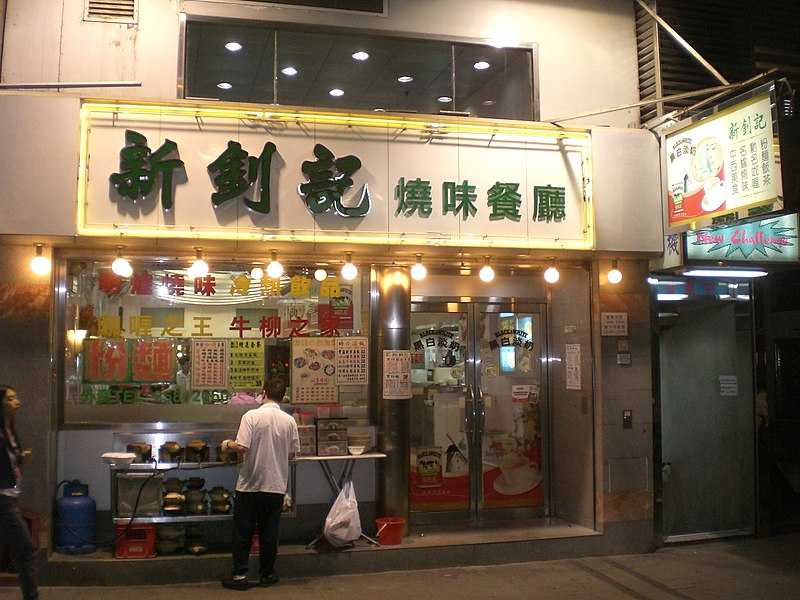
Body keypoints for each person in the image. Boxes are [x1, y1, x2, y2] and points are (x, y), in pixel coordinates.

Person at [220, 378, 299, 591]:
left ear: (263, 393)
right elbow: (292, 453)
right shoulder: (289, 421)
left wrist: (227, 444)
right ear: (283, 397)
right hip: (275, 485)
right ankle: (267, 575)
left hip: (250, 484)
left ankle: (239, 577)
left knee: (243, 532)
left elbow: (242, 447)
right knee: (269, 532)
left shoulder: (251, 416)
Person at [0, 385, 39, 600]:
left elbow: (9, 460)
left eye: (17, 398)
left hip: (11, 496)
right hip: (3, 498)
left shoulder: (10, 429)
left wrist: (20, 457)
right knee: (26, 550)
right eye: (11, 399)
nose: (17, 402)